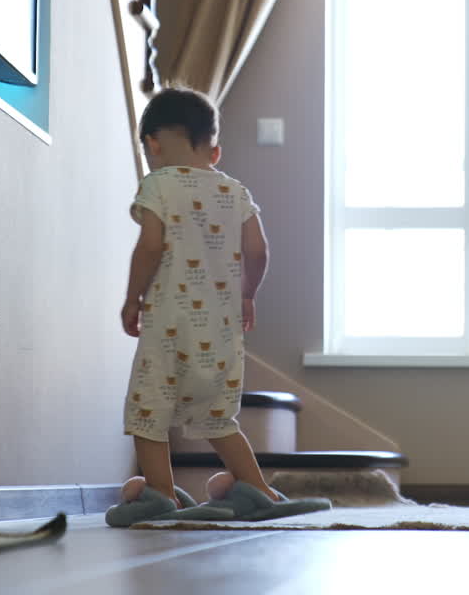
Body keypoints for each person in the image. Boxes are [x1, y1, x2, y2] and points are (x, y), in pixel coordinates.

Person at [105, 87, 329, 527]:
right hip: (221, 329)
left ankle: (161, 493)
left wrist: (133, 298)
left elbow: (150, 246)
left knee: (148, 411)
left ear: (152, 144)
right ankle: (258, 490)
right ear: (215, 148)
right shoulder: (235, 191)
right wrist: (247, 293)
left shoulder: (158, 184)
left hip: (169, 325)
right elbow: (259, 250)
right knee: (217, 415)